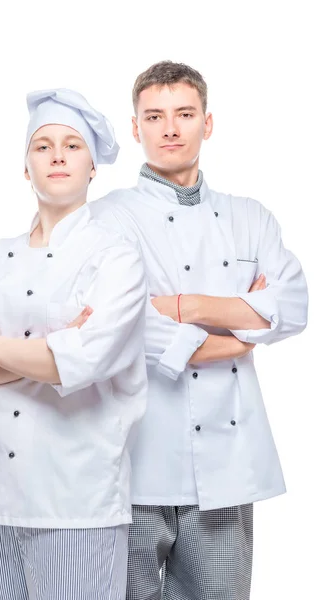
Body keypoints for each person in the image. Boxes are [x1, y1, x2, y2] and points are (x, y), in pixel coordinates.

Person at [90, 61, 308, 600]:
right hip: (131, 462)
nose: (170, 128)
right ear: (136, 126)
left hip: (228, 464)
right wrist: (240, 329)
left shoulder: (249, 216)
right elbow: (121, 323)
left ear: (207, 124)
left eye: (184, 114)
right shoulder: (107, 219)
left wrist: (187, 304)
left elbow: (295, 305)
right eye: (155, 116)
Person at [0, 88, 148, 600]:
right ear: (24, 167)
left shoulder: (116, 258)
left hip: (77, 497)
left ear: (93, 166)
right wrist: (52, 348)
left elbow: (82, 362)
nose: (56, 156)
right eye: (42, 146)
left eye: (72, 146)